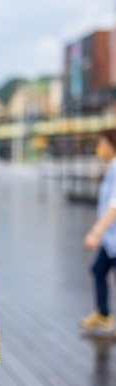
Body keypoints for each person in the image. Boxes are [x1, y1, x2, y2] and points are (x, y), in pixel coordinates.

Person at [80, 129, 116, 333]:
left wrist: (96, 231)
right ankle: (102, 314)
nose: (99, 147)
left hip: (110, 236)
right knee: (98, 270)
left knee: (100, 270)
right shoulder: (111, 168)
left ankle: (103, 314)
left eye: (102, 142)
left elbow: (114, 205)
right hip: (110, 239)